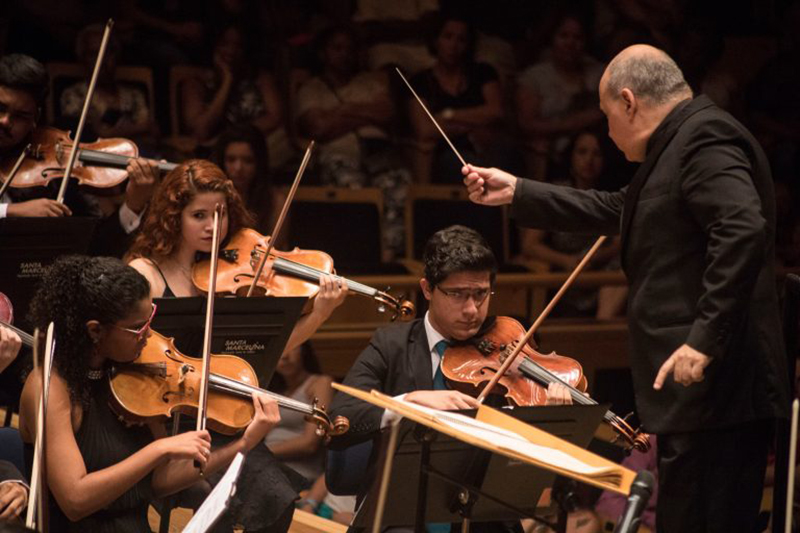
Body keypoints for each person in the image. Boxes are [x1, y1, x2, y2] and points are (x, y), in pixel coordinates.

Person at [464, 44, 790, 532]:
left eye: (605, 114)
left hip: (719, 394)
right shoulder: (675, 149)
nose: (606, 129)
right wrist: (520, 190)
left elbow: (742, 228)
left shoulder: (704, 137)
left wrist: (703, 339)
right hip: (700, 401)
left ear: (629, 100)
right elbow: (622, 207)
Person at [18, 255, 285, 532]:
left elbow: (160, 481)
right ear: (95, 330)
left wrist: (243, 445)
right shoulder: (50, 387)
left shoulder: (133, 380)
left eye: (150, 319)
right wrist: (158, 449)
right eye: (137, 327)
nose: (148, 334)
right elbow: (75, 500)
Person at [329, 225, 569, 532]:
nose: (472, 310)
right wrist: (408, 403)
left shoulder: (507, 345)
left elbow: (529, 466)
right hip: (400, 517)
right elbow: (341, 418)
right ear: (428, 289)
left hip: (483, 519)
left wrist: (549, 421)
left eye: (481, 294)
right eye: (457, 294)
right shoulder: (392, 345)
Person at [127, 159, 346, 357]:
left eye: (219, 214)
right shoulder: (146, 274)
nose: (212, 226)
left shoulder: (231, 281)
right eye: (198, 216)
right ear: (174, 217)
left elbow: (265, 351)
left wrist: (319, 314)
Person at [0, 53, 158, 258]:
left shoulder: (53, 175)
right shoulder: (24, 206)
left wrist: (133, 204)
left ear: (35, 118)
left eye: (20, 116)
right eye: (1, 108)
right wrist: (12, 211)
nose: (4, 121)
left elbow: (96, 246)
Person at [295, 24, 410, 261]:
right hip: (338, 155)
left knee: (399, 186)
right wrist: (364, 113)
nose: (344, 54)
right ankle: (360, 260)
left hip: (380, 154)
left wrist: (340, 112)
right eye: (337, 48)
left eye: (349, 48)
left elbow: (387, 113)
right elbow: (318, 127)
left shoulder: (371, 81)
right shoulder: (311, 88)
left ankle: (389, 260)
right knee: (353, 190)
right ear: (323, 53)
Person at [513, 130, 626, 319]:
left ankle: (602, 330)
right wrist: (566, 261)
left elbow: (619, 242)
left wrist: (593, 259)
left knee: (623, 269)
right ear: (571, 156)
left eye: (596, 154)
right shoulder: (556, 193)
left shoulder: (612, 195)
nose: (589, 160)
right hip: (562, 273)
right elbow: (530, 245)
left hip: (599, 271)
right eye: (582, 152)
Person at [408, 15, 506, 185]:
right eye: (448, 37)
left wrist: (448, 115)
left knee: (507, 155)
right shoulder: (421, 81)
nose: (454, 45)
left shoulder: (483, 72)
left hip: (488, 146)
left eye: (461, 39)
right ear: (436, 40)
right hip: (442, 153)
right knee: (463, 165)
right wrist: (475, 122)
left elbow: (496, 112)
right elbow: (425, 130)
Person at [266, 342, 332, 484]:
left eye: (292, 347)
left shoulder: (320, 383)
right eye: (280, 349)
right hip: (268, 468)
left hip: (297, 474)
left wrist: (260, 453)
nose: (285, 356)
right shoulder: (274, 392)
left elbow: (309, 444)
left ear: (304, 350)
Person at [213, 124, 286, 239]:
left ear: (259, 163)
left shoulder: (276, 201)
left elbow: (276, 251)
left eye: (248, 161)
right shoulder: (212, 197)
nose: (238, 168)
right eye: (231, 160)